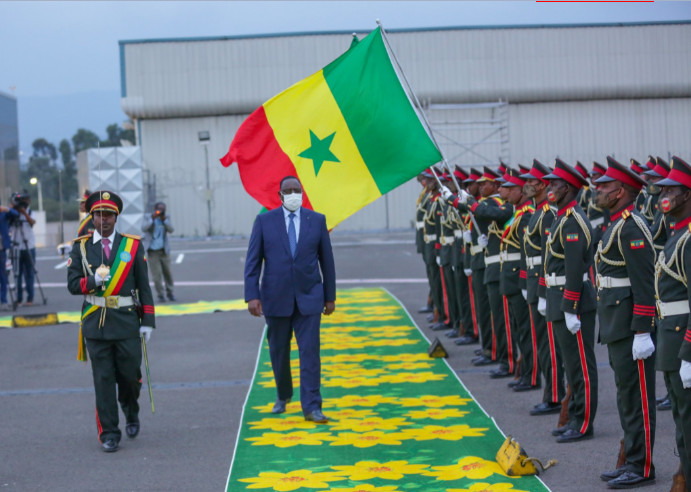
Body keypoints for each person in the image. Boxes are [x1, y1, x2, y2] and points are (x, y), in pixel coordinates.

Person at [67, 191, 155, 453]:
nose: (103, 220)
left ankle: (131, 410)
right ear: (91, 217)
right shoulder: (81, 247)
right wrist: (92, 282)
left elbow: (143, 286)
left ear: (116, 217)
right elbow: (72, 284)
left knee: (129, 377)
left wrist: (147, 320)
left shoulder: (132, 245)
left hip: (127, 322)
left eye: (108, 215)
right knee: (103, 380)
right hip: (95, 324)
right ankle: (109, 432)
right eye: (98, 215)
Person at [244, 176, 336, 423]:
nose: (293, 194)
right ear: (280, 195)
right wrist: (252, 295)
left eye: (297, 190)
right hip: (275, 298)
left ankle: (312, 406)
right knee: (278, 352)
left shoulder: (316, 221)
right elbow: (253, 261)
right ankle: (283, 395)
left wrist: (330, 297)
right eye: (288, 191)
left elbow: (327, 262)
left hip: (310, 298)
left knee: (310, 353)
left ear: (302, 194)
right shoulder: (264, 221)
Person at [593, 157, 657, 488]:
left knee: (638, 398)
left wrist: (643, 331)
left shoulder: (632, 227)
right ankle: (631, 458)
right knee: (625, 395)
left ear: (620, 191)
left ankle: (642, 465)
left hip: (632, 326)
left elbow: (645, 283)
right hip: (616, 324)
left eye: (604, 186)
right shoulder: (615, 224)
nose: (597, 189)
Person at [541, 158, 599, 443]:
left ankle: (583, 422)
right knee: (570, 365)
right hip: (558, 298)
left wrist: (570, 307)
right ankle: (575, 415)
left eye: (554, 184)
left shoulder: (574, 221)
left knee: (581, 367)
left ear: (568, 188)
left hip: (572, 301)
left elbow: (576, 268)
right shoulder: (560, 217)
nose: (549, 187)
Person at [653, 156, 691, 491]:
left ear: (687, 195)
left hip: (683, 340)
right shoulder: (675, 233)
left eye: (670, 189)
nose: (663, 194)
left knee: (689, 421)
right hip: (670, 335)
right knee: (681, 419)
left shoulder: (689, 237)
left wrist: (690, 354)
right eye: (662, 188)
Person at [520, 160, 565, 416]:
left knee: (549, 344)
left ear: (542, 185)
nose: (526, 185)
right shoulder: (537, 211)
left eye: (531, 182)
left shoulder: (548, 213)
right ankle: (551, 393)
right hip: (535, 281)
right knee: (543, 343)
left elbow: (549, 256)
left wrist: (542, 289)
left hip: (545, 283)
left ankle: (555, 396)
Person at [142, 202, 175, 302]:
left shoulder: (166, 217)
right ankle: (160, 294)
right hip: (153, 252)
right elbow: (144, 228)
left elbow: (171, 230)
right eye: (159, 209)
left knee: (168, 273)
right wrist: (153, 218)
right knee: (157, 275)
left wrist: (164, 221)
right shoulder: (148, 217)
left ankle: (170, 293)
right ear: (154, 209)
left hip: (164, 251)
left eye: (162, 210)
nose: (160, 212)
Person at [10, 191, 36, 307]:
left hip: (29, 246)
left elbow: (32, 222)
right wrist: (12, 209)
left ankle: (30, 298)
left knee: (29, 273)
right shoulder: (12, 214)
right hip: (16, 247)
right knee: (17, 273)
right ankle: (19, 298)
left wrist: (24, 213)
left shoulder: (30, 212)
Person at [0, 202, 19, 310]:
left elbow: (15, 214)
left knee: (3, 276)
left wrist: (7, 209)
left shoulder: (3, 213)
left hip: (1, 248)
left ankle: (3, 300)